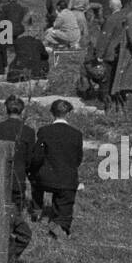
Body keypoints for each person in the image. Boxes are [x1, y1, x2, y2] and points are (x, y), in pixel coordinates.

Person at [31, 99, 84, 239]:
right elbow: (78, 159)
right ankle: (60, 223)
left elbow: (37, 157)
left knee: (35, 178)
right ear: (68, 114)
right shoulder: (77, 134)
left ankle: (37, 210)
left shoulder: (44, 131)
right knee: (65, 202)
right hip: (66, 179)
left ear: (52, 113)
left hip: (45, 178)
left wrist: (34, 170)